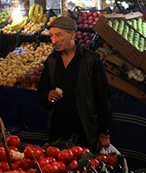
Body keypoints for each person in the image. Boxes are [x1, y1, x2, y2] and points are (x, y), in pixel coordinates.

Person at [37, 16, 112, 151]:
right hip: (58, 130)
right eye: (52, 36)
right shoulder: (52, 61)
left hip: (84, 129)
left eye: (58, 35)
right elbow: (42, 90)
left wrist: (104, 132)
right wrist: (47, 95)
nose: (54, 41)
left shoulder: (91, 60)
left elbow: (103, 97)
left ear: (72, 34)